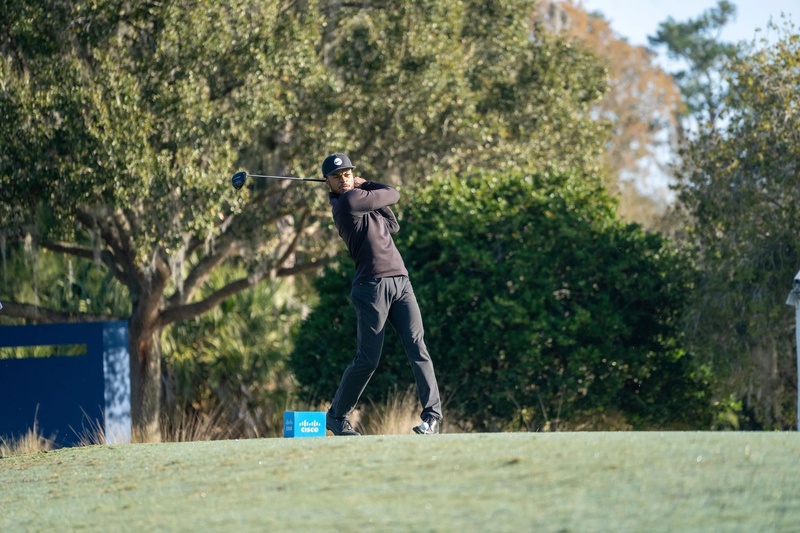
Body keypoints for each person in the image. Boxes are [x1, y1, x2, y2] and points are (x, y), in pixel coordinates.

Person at [321, 152, 443, 436]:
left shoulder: (362, 201)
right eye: (337, 177)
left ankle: (432, 416)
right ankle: (336, 416)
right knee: (368, 359)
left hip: (401, 281)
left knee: (418, 348)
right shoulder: (348, 203)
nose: (344, 179)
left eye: (347, 174)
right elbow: (393, 193)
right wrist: (366, 183)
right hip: (371, 287)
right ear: (328, 182)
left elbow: (392, 225)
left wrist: (364, 186)